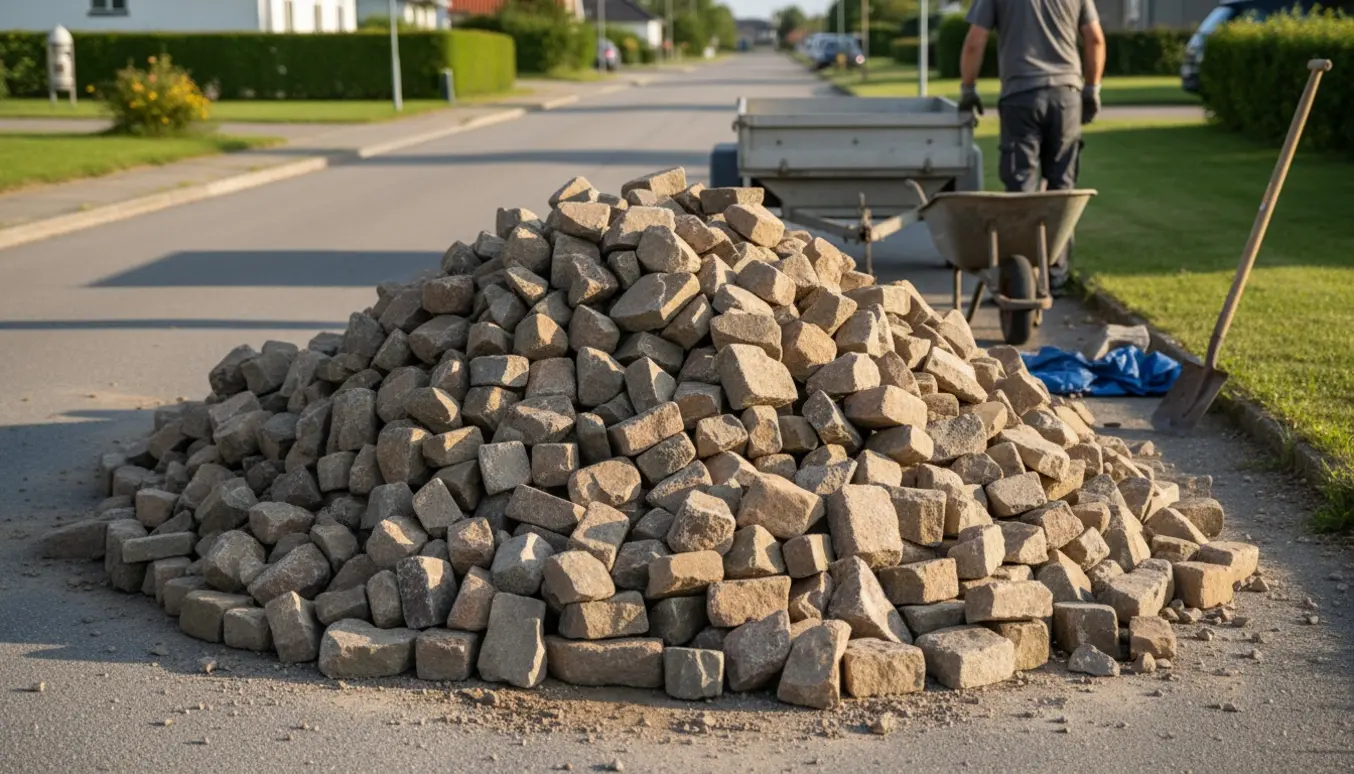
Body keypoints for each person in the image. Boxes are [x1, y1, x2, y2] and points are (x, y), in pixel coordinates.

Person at [957, 0, 1105, 289]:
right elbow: (1095, 38)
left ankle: (1021, 279)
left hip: (1020, 96)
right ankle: (1056, 277)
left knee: (1021, 187)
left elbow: (975, 41)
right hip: (1066, 96)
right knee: (1062, 188)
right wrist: (1092, 89)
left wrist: (968, 89)